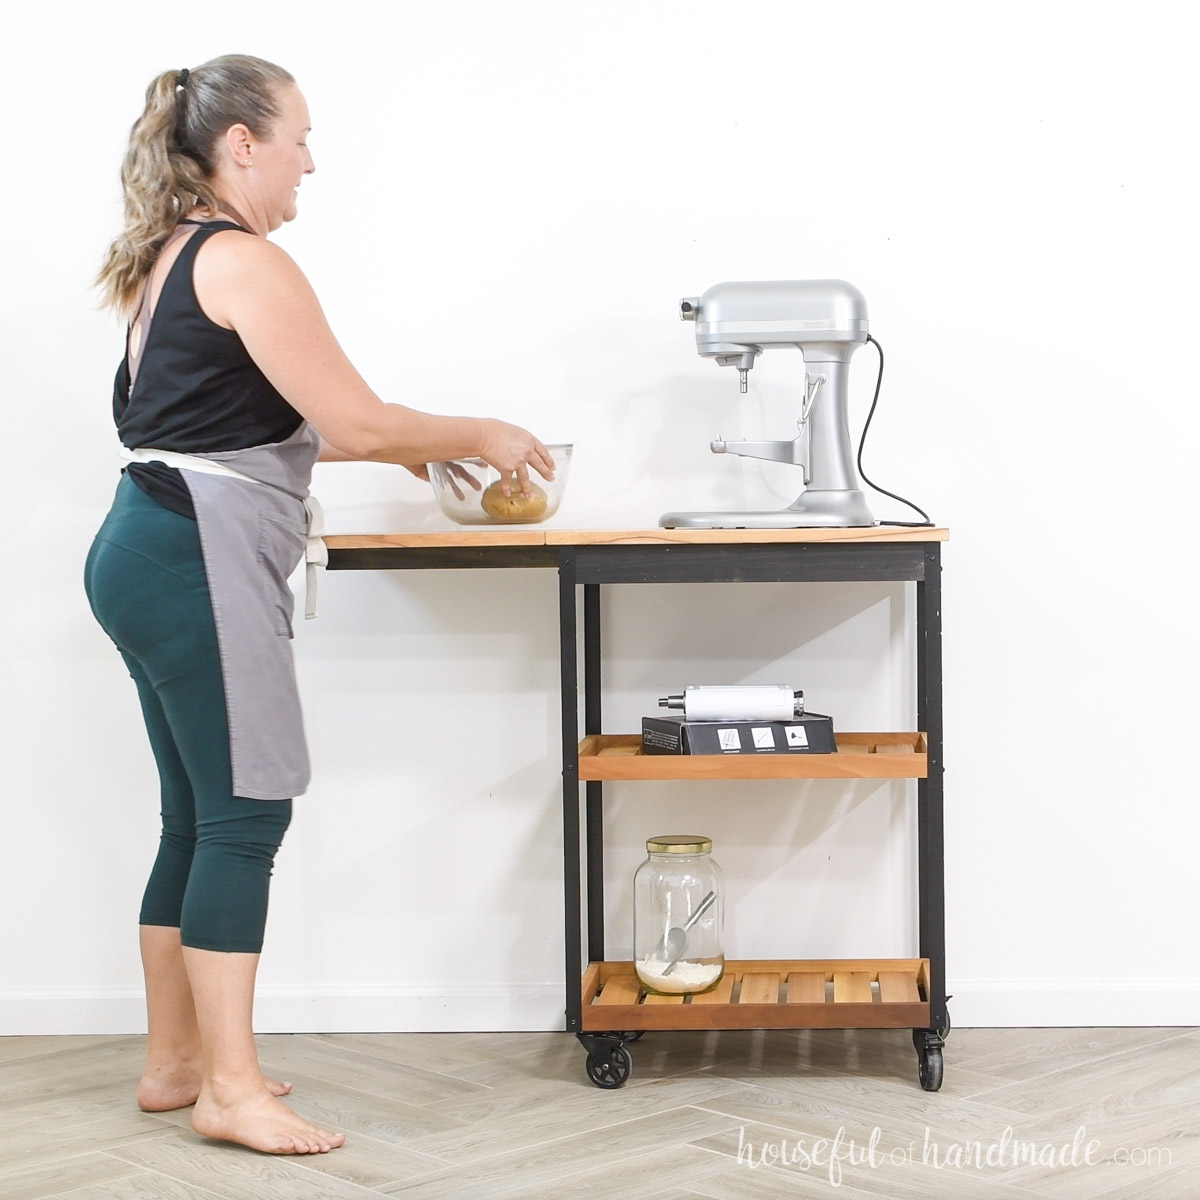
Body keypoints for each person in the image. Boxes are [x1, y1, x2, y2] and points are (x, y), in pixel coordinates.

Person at [87, 54, 554, 1157]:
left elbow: (252, 420)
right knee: (247, 818)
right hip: (192, 554)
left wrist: (379, 451)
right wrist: (476, 432)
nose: (310, 160)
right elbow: (370, 418)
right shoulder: (247, 259)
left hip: (144, 545)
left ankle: (177, 1063)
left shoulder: (172, 257)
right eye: (299, 136)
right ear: (242, 145)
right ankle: (232, 1094)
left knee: (195, 817)